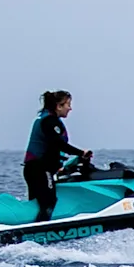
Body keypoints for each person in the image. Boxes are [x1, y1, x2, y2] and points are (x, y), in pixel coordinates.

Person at [23, 90, 91, 222]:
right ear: (58, 106)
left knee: (37, 204)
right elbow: (59, 144)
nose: (70, 108)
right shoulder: (50, 121)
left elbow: (51, 148)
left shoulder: (45, 118)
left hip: (34, 169)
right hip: (39, 170)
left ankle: (32, 230)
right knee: (49, 202)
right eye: (68, 104)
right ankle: (39, 232)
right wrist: (81, 153)